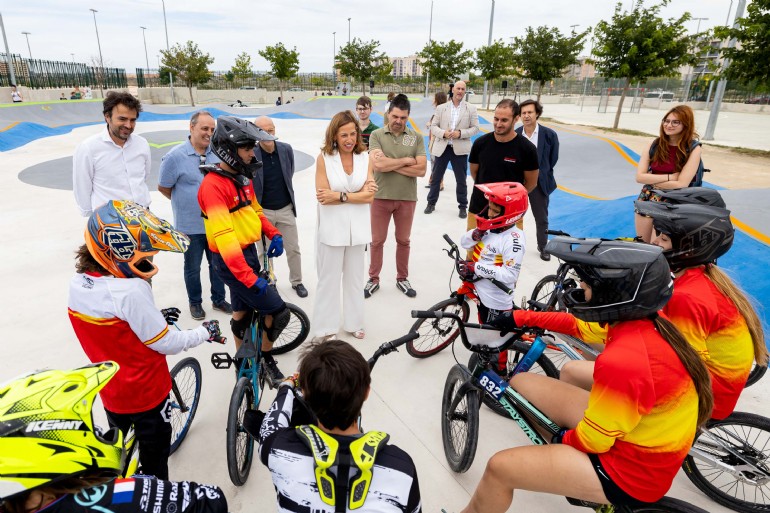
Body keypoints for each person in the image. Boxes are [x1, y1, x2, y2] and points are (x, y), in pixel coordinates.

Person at [462, 239, 713, 512]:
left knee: (499, 468)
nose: (580, 288)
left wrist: (563, 439)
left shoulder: (623, 361)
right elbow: (576, 326)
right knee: (521, 382)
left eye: (587, 284)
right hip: (642, 438)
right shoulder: (644, 322)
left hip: (629, 473)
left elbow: (595, 440)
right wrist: (519, 318)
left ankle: (587, 487)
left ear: (611, 294)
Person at [68, 200, 224, 480]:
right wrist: (205, 332)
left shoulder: (78, 285)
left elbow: (114, 326)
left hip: (111, 390)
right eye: (145, 257)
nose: (151, 261)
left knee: (120, 450)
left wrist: (153, 316)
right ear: (118, 253)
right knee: (155, 468)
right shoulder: (132, 291)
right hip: (146, 394)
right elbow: (166, 343)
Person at [0, 362, 228, 513]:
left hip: (115, 401)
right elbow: (212, 500)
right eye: (85, 424)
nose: (95, 430)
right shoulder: (114, 498)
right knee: (156, 451)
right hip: (144, 393)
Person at [633, 199, 768, 418]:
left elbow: (687, 364)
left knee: (590, 371)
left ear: (686, 249)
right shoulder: (701, 274)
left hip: (707, 396)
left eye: (663, 238)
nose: (655, 242)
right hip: (720, 383)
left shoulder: (685, 297)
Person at [255, 339, 422, 512]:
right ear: (366, 392)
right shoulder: (402, 468)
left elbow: (270, 425)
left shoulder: (277, 449)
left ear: (304, 393)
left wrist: (287, 385)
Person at [197, 116, 292, 386]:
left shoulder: (242, 176)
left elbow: (255, 210)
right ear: (230, 149)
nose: (253, 153)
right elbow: (224, 238)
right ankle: (266, 357)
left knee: (241, 313)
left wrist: (273, 233)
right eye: (247, 148)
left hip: (246, 253)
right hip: (231, 261)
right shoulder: (213, 186)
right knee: (279, 312)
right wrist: (249, 278)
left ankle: (241, 360)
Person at [158, 111, 231, 320]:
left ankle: (218, 299)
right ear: (191, 128)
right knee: (192, 267)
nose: (209, 133)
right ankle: (195, 303)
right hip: (190, 226)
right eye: (204, 129)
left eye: (212, 129)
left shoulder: (217, 154)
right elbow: (164, 187)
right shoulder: (174, 157)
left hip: (215, 223)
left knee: (217, 265)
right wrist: (187, 202)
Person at [313, 111, 376, 341]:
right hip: (332, 229)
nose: (349, 139)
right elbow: (322, 196)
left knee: (355, 278)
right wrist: (355, 195)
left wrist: (339, 196)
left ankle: (354, 322)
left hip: (358, 230)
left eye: (352, 133)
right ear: (335, 136)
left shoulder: (365, 157)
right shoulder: (324, 158)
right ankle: (325, 328)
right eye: (344, 135)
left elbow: (370, 196)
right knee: (328, 279)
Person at [366, 94, 427, 299]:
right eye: (395, 116)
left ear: (408, 117)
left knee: (403, 240)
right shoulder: (376, 135)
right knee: (377, 241)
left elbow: (421, 170)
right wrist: (407, 160)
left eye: (403, 117)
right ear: (388, 114)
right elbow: (378, 165)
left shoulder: (416, 137)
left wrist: (391, 163)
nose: (398, 121)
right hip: (380, 197)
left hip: (407, 198)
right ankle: (373, 279)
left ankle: (402, 278)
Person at [252, 115, 308, 298]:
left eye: (272, 130)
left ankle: (297, 281)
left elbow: (288, 173)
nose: (269, 134)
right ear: (256, 133)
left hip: (285, 209)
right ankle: (270, 281)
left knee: (293, 248)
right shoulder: (252, 153)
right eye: (264, 131)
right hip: (263, 211)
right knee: (264, 252)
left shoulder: (285, 149)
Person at [73, 92, 150, 217]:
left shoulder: (142, 144)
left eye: (133, 120)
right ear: (107, 117)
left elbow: (144, 176)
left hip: (144, 216)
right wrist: (91, 217)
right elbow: (82, 186)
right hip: (110, 220)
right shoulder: (88, 148)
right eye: (122, 119)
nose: (128, 125)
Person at [458, 182, 528, 322]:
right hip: (480, 286)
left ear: (510, 214)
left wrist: (476, 267)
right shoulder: (490, 227)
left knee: (491, 339)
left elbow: (510, 275)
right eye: (489, 208)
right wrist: (475, 235)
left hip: (495, 299)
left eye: (495, 211)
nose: (490, 214)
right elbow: (464, 243)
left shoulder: (514, 240)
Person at [467, 99, 538, 233]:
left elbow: (531, 183)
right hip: (479, 209)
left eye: (504, 120)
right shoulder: (480, 144)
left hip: (511, 215)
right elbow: (475, 173)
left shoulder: (527, 149)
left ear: (516, 119)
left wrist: (509, 200)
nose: (498, 124)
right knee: (473, 252)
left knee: (508, 254)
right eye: (496, 119)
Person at [634, 105, 703, 242]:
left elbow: (682, 184)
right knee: (643, 245)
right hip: (648, 198)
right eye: (666, 120)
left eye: (675, 122)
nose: (669, 125)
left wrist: (651, 181)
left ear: (686, 124)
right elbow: (639, 177)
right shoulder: (654, 145)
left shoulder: (693, 148)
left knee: (660, 248)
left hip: (674, 202)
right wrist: (670, 177)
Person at [425, 80, 480, 218]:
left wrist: (460, 133)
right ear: (453, 90)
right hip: (443, 147)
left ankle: (462, 206)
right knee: (436, 178)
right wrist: (443, 133)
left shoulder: (471, 108)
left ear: (465, 91)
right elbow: (434, 126)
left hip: (459, 149)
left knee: (461, 180)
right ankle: (431, 203)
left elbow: (475, 128)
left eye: (463, 89)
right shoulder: (441, 108)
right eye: (458, 88)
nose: (460, 91)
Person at [515, 99, 560, 261]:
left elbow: (552, 158)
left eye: (530, 112)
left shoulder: (549, 135)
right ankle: (510, 246)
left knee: (541, 218)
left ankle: (543, 247)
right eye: (523, 113)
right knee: (513, 216)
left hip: (539, 183)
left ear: (537, 114)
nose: (526, 116)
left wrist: (541, 173)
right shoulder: (516, 133)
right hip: (518, 183)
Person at [424, 91, 448, 192]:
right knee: (434, 163)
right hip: (433, 141)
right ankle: (434, 181)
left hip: (437, 142)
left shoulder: (442, 112)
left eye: (434, 98)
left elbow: (438, 126)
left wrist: (430, 124)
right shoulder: (439, 111)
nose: (433, 100)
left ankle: (439, 183)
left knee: (437, 163)